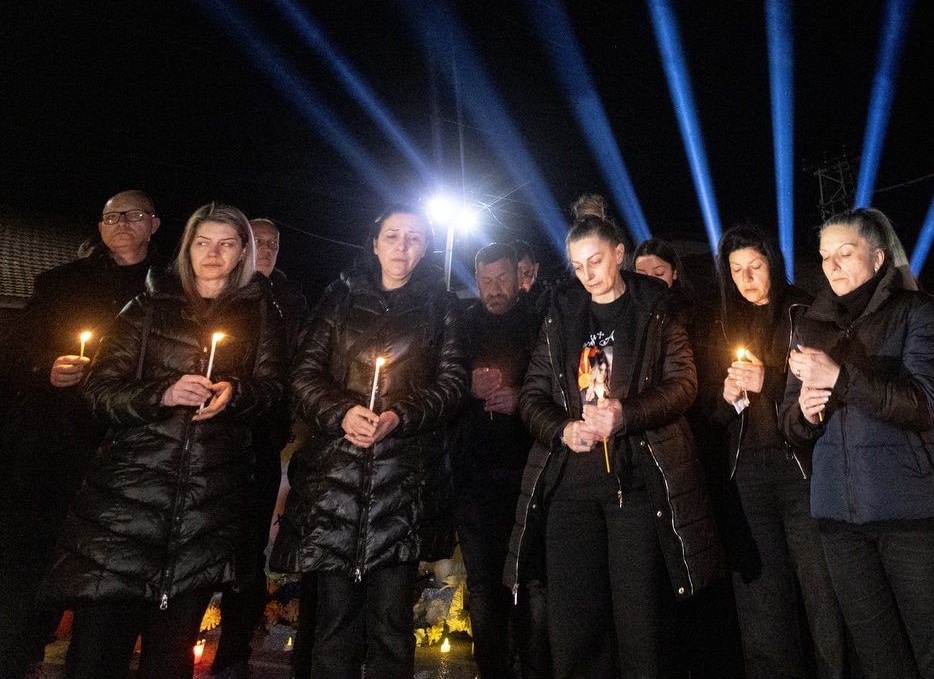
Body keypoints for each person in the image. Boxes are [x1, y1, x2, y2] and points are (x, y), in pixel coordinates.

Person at [44, 203, 286, 679]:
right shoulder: (147, 305)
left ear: (242, 252)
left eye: (226, 244)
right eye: (203, 242)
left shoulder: (262, 315)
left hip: (204, 508)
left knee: (169, 657)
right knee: (97, 652)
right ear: (186, 247)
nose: (213, 254)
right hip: (127, 505)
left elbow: (275, 393)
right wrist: (164, 392)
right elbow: (99, 390)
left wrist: (236, 394)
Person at [503, 211, 722, 677]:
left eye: (596, 261)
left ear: (620, 255)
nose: (587, 275)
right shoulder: (560, 312)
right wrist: (562, 428)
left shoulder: (656, 307)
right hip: (570, 489)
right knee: (576, 627)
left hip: (635, 484)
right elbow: (533, 394)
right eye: (578, 266)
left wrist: (626, 414)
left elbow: (683, 384)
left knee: (640, 623)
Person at [271, 203, 468, 679]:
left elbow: (452, 381)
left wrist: (400, 414)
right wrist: (342, 413)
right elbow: (303, 374)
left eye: (415, 238)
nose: (403, 247)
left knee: (390, 623)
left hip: (403, 483)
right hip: (337, 482)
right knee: (334, 623)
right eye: (394, 236)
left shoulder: (441, 305)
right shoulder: (339, 299)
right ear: (374, 242)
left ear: (426, 248)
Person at [780, 208, 934, 679]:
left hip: (914, 514)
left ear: (879, 257)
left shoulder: (920, 312)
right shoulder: (809, 327)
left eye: (846, 253)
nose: (833, 266)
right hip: (839, 519)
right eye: (825, 257)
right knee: (877, 658)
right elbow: (790, 422)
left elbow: (927, 404)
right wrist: (804, 413)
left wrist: (841, 377)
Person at [0, 190, 161, 679]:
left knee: (104, 569)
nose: (121, 224)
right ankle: (16, 650)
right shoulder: (60, 284)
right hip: (52, 443)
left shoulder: (167, 291)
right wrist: (44, 367)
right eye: (111, 216)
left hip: (125, 448)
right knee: (30, 558)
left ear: (154, 225)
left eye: (133, 216)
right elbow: (13, 352)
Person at [706, 225, 846, 679]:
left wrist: (769, 386)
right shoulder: (723, 322)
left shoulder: (803, 310)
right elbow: (707, 412)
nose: (746, 279)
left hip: (800, 470)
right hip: (746, 474)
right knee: (762, 604)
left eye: (755, 267)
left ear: (773, 264)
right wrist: (727, 398)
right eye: (736, 270)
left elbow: (827, 394)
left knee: (823, 597)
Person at [212, 217, 310, 679]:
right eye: (257, 240)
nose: (266, 248)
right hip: (211, 438)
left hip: (265, 435)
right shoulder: (219, 294)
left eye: (274, 241)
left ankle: (232, 654)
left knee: (250, 549)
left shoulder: (290, 299)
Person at [455, 244, 544, 679]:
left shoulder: (539, 322)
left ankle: (534, 667)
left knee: (531, 581)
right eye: (486, 280)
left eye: (502, 279)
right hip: (473, 475)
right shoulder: (463, 324)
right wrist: (465, 385)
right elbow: (442, 381)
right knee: (483, 584)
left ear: (518, 276)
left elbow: (557, 386)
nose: (494, 289)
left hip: (529, 470)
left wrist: (521, 400)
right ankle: (491, 668)